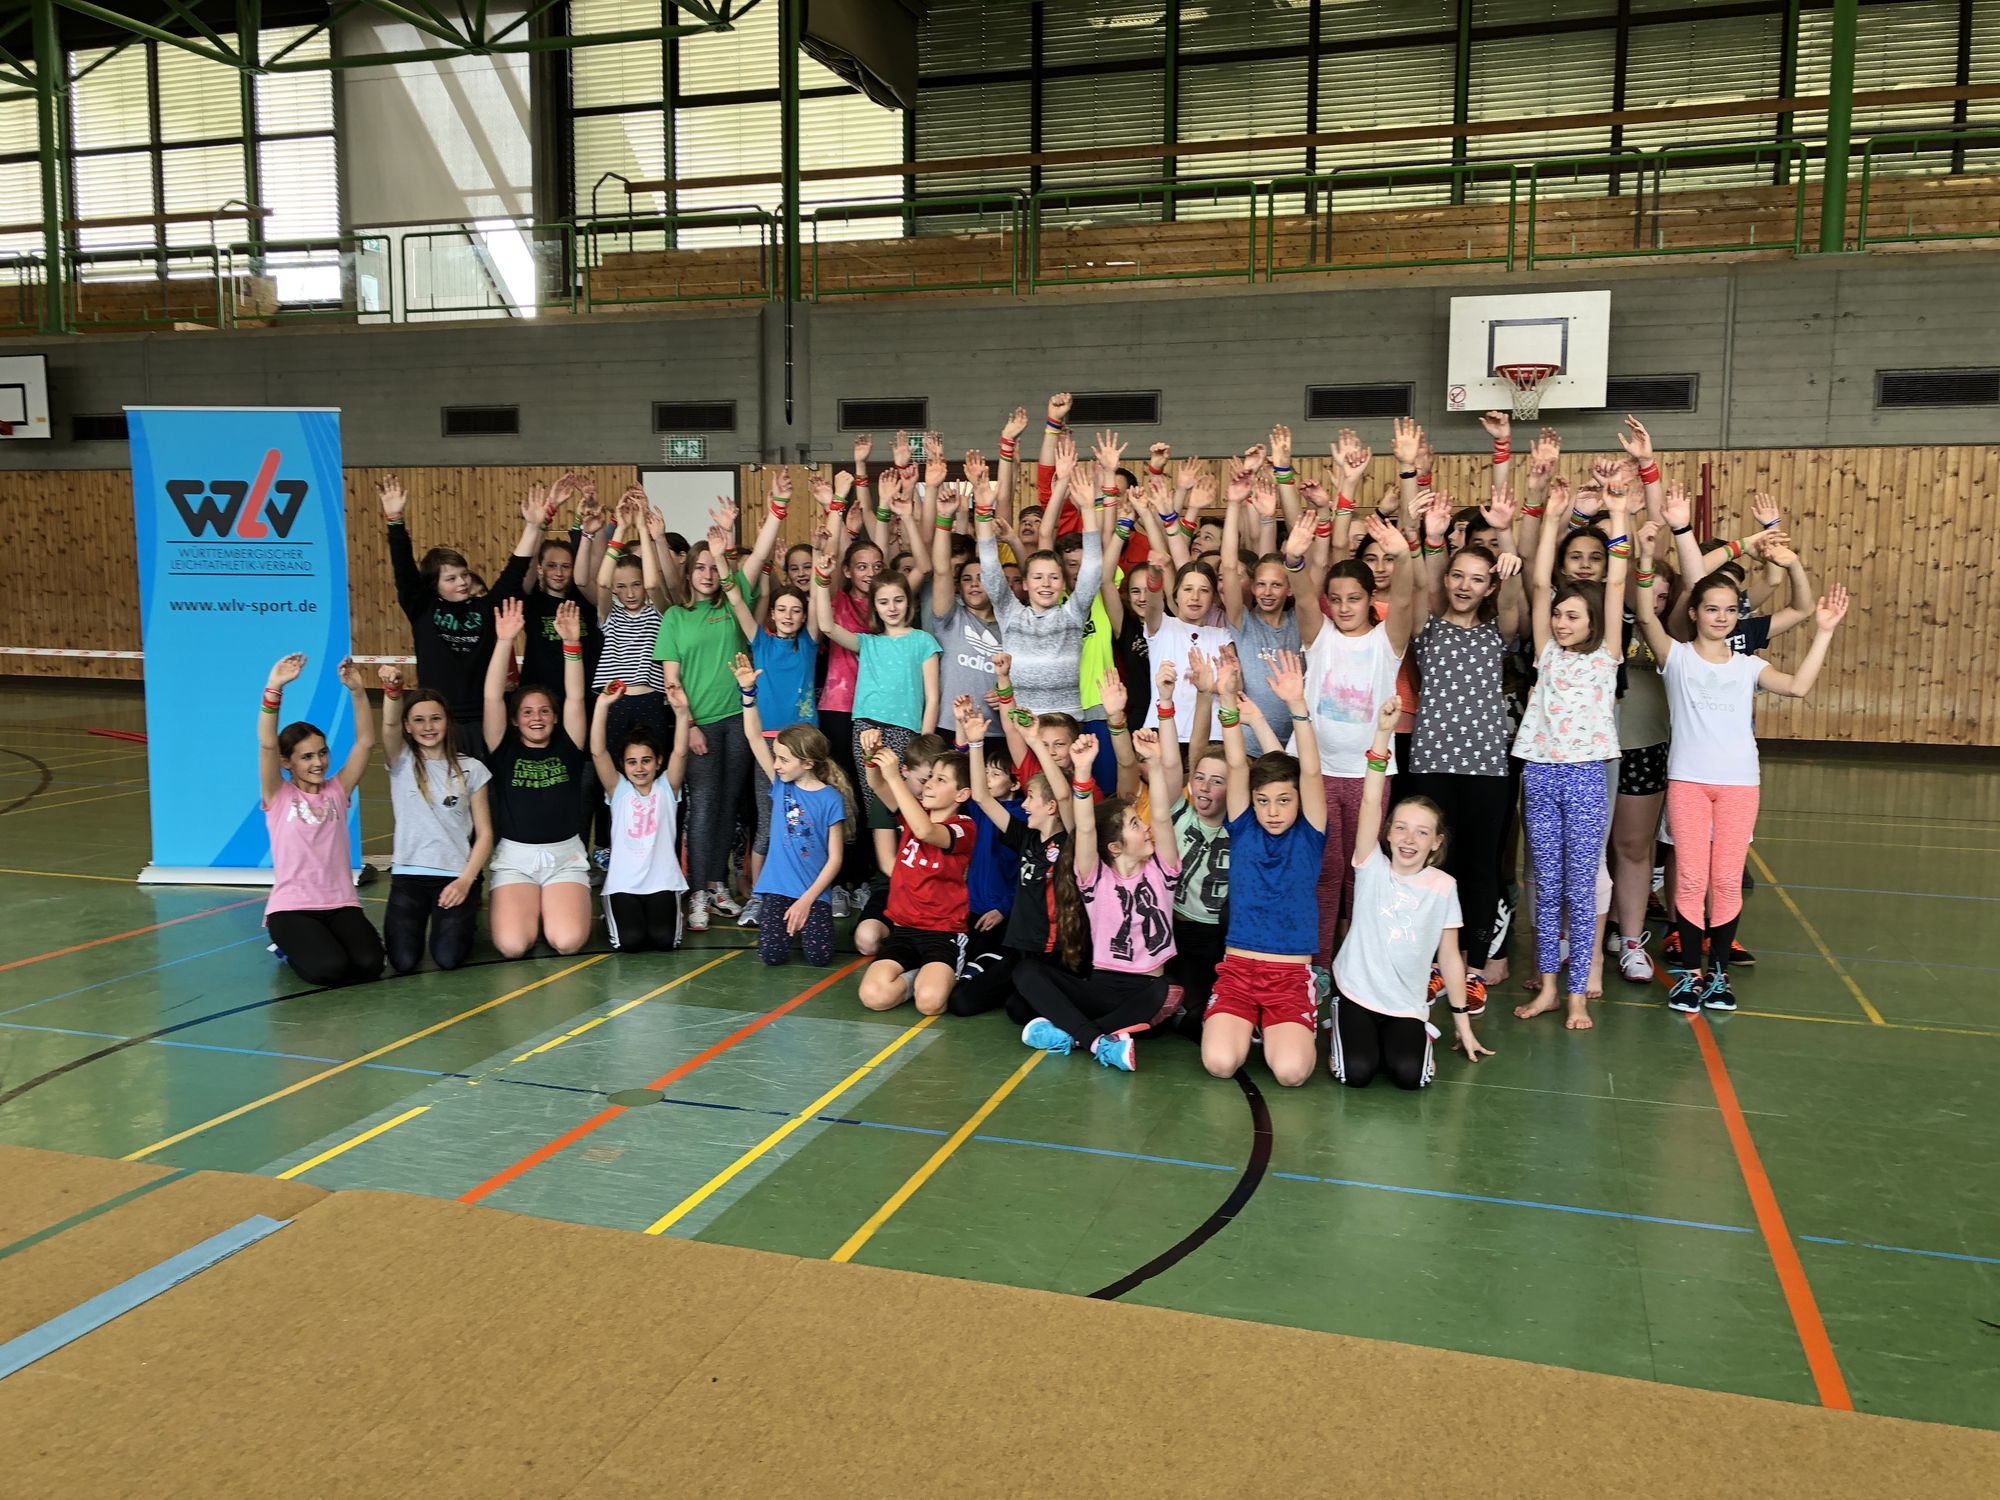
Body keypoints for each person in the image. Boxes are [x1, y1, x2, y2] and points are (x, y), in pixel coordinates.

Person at [1634, 530, 1849, 1013]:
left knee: (1727, 881)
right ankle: (1689, 976)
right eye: (1711, 609)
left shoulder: (1749, 666)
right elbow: (1645, 615)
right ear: (1694, 613)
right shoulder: (1677, 658)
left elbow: (1798, 687)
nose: (1721, 617)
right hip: (1689, 783)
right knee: (1691, 879)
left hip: (1739, 787)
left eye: (1730, 610)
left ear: (1737, 615)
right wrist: (1646, 560)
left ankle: (1718, 976)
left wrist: (1825, 632)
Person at [1512, 484, 1632, 1030]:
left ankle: (1578, 994)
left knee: (1581, 890)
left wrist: (1620, 514)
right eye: (1558, 616)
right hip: (1540, 773)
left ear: (1593, 623)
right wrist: (1553, 518)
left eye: (1572, 617)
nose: (1561, 623)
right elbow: (1540, 584)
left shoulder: (1606, 657)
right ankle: (1549, 989)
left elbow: (1617, 582)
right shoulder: (1546, 655)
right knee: (1546, 884)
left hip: (1585, 777)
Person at [1401, 492, 1525, 1006]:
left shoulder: (1498, 632)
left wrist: (1509, 544)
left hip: (1486, 768)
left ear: (1490, 585)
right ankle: (1433, 960)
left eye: (1477, 578)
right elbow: (1425, 582)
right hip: (1431, 763)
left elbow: (1514, 603)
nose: (1464, 585)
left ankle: (1472, 966)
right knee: (1435, 866)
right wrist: (1431, 536)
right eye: (1458, 576)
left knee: (1480, 867)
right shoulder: (1427, 627)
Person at [1329, 700, 1491, 1088]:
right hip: (1357, 994)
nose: (1408, 839)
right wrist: (1383, 734)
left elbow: (1449, 957)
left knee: (1410, 1077)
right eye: (1400, 827)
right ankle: (1341, 1016)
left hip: (1406, 1005)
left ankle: (1416, 1035)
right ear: (1387, 833)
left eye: (1421, 832)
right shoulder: (1371, 866)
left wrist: (1462, 1024)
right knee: (1356, 1073)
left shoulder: (1443, 887)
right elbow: (1370, 800)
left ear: (1436, 842)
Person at [1291, 504, 1419, 965]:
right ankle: (1321, 964)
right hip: (1319, 773)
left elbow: (1403, 601)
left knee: (1360, 871)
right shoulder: (1319, 635)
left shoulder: (1387, 641)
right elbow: (1303, 600)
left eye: (1355, 598)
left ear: (1369, 600)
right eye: (1337, 599)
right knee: (1325, 872)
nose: (1345, 607)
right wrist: (1294, 559)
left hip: (1370, 777)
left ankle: (1358, 962)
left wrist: (1402, 556)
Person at [1198, 649, 1328, 1086]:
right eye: (1263, 801)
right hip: (1238, 970)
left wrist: (1297, 706)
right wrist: (1226, 698)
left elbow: (1311, 772)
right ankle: (1249, 1025)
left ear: (1299, 800)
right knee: (1219, 1063)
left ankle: (1281, 1023)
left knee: (1290, 1073)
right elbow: (1237, 762)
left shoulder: (1310, 833)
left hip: (1289, 975)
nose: (1273, 811)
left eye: (1284, 801)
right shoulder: (1244, 828)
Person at [1015, 730, 1180, 1072]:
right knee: (1025, 973)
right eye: (1135, 824)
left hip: (1145, 992)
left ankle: (1074, 1036)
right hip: (1102, 989)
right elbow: (1086, 828)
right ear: (1115, 847)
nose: (1145, 828)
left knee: (1168, 991)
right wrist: (1082, 770)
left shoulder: (1162, 869)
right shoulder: (1094, 878)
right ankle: (1099, 1043)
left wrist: (1153, 762)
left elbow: (1163, 816)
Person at [813, 506, 942, 881]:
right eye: (883, 602)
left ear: (909, 602)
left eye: (898, 600)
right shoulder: (868, 642)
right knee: (876, 802)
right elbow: (826, 625)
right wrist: (822, 579)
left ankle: (915, 871)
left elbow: (932, 696)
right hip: (867, 729)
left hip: (907, 731)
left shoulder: (923, 641)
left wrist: (924, 739)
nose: (892, 608)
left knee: (909, 801)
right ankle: (886, 878)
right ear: (875, 607)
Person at [379, 474, 545, 753]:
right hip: (439, 719)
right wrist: (395, 520)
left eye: (464, 574)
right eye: (451, 578)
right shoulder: (422, 608)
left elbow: (514, 571)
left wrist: (532, 527)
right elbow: (404, 568)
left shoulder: (486, 609)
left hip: (484, 719)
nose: (463, 582)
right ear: (434, 585)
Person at [721, 492, 820, 929]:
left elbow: (820, 594)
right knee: (770, 821)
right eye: (781, 609)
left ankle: (810, 894)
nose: (789, 615)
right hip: (768, 745)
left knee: (809, 822)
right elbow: (735, 598)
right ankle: (762, 896)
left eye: (796, 610)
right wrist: (722, 553)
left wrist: (823, 564)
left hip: (807, 745)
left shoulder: (810, 643)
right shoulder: (759, 640)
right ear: (773, 614)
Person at [258, 653, 383, 987]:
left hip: (340, 903)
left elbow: (366, 743)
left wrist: (358, 691)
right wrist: (274, 688)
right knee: (330, 970)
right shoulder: (278, 795)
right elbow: (267, 745)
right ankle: (285, 947)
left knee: (370, 965)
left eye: (323, 752)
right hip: (292, 909)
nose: (318, 762)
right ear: (287, 762)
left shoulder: (338, 790)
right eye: (307, 757)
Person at [947, 694, 1073, 1018]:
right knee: (961, 1002)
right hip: (1020, 950)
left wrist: (1036, 743)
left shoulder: (1073, 842)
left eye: (1032, 798)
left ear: (1052, 807)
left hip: (1054, 952)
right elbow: (982, 798)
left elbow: (1063, 794)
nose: (1025, 804)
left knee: (1020, 1011)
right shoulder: (1024, 837)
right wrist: (976, 744)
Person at [654, 516, 753, 931]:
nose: (708, 574)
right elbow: (671, 680)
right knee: (704, 806)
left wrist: (728, 535)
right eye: (700, 567)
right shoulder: (676, 617)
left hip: (739, 720)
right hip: (701, 725)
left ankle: (716, 885)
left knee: (728, 806)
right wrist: (689, 724)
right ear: (688, 573)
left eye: (714, 567)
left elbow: (756, 560)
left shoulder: (732, 604)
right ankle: (695, 891)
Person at [482, 597, 593, 958]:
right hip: (515, 860)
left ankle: (552, 907)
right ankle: (526, 908)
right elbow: (491, 697)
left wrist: (571, 644)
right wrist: (504, 641)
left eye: (545, 711)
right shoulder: (503, 748)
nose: (537, 718)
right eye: (527, 712)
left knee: (568, 942)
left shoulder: (569, 744)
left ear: (555, 717)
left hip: (565, 858)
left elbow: (575, 696)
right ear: (515, 720)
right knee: (513, 946)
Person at [731, 654, 852, 966]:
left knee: (819, 958)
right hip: (777, 887)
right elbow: (754, 737)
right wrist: (748, 694)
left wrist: (808, 900)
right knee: (771, 955)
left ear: (808, 763)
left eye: (784, 759)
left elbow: (835, 859)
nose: (776, 765)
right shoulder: (781, 786)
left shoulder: (831, 799)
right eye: (776, 757)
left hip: (813, 891)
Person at [377, 668, 493, 974]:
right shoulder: (400, 760)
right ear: (407, 726)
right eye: (418, 720)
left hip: (454, 876)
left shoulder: (472, 768)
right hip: (408, 878)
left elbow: (485, 834)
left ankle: (467, 914)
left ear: (448, 721)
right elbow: (388, 723)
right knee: (403, 962)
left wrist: (466, 881)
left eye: (435, 718)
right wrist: (392, 692)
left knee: (448, 958)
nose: (428, 727)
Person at [856, 731, 976, 1015]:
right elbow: (878, 785)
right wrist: (872, 756)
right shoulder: (914, 812)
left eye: (940, 780)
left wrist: (895, 778)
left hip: (943, 934)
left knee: (930, 1004)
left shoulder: (964, 827)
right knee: (873, 996)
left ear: (961, 794)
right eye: (930, 777)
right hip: (904, 930)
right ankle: (917, 978)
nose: (929, 784)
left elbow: (925, 831)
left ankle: (931, 981)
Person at [588, 680, 692, 951]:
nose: (640, 768)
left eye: (646, 760)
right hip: (623, 885)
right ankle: (613, 913)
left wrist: (682, 713)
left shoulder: (667, 788)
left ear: (658, 761)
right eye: (631, 762)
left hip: (662, 883)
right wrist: (602, 705)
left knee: (664, 941)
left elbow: (680, 751)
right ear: (622, 765)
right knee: (630, 941)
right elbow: (598, 752)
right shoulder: (619, 790)